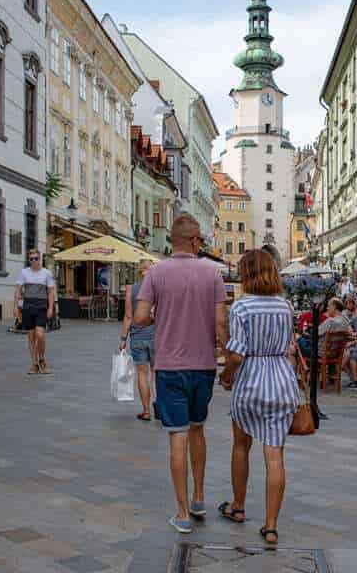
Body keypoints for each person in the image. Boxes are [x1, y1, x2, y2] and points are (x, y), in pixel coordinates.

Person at [137, 215, 228, 534]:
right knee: (197, 429)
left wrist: (160, 319)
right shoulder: (213, 273)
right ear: (193, 240)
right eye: (200, 240)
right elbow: (220, 324)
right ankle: (200, 498)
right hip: (203, 365)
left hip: (169, 366)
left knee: (178, 435)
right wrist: (225, 354)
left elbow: (139, 317)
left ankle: (182, 512)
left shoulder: (155, 272)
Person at [217, 250, 299, 547]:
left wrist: (226, 376)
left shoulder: (241, 307)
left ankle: (238, 507)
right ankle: (272, 526)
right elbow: (289, 347)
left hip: (250, 381)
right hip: (280, 382)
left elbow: (236, 354)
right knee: (275, 455)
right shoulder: (285, 306)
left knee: (241, 446)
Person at [121, 259, 157, 421]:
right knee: (157, 374)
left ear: (139, 272)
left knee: (142, 374)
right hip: (157, 336)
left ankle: (146, 411)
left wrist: (123, 338)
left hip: (137, 336)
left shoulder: (131, 289)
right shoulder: (159, 289)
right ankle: (160, 409)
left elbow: (128, 316)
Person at [15, 249, 56, 375]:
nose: (33, 261)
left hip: (41, 307)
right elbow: (18, 290)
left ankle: (42, 359)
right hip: (28, 306)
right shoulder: (24, 272)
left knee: (40, 334)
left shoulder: (46, 273)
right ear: (29, 260)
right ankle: (34, 363)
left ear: (40, 259)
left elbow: (50, 292)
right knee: (31, 336)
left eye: (36, 258)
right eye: (31, 259)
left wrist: (50, 308)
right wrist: (15, 307)